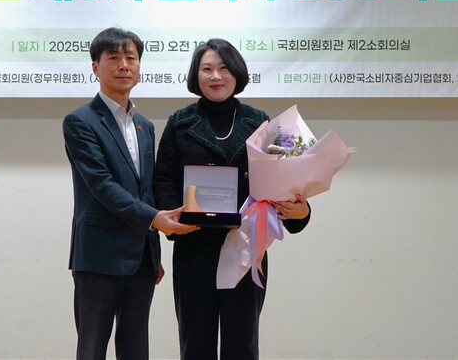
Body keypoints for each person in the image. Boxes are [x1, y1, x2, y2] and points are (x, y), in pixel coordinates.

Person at [153, 38, 311, 360]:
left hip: (246, 246)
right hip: (193, 247)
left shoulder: (259, 122)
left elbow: (284, 179)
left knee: (242, 344)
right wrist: (174, 220)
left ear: (237, 72)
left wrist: (301, 210)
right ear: (195, 75)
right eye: (207, 69)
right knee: (195, 344)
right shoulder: (180, 122)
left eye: (224, 68)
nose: (216, 76)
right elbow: (164, 178)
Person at [63, 27, 197, 360]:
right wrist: (155, 219)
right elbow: (101, 185)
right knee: (92, 349)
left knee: (136, 350)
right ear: (95, 67)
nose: (124, 65)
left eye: (131, 58)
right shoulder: (80, 122)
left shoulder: (145, 126)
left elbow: (145, 190)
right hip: (98, 256)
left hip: (140, 260)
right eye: (113, 57)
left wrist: (154, 252)